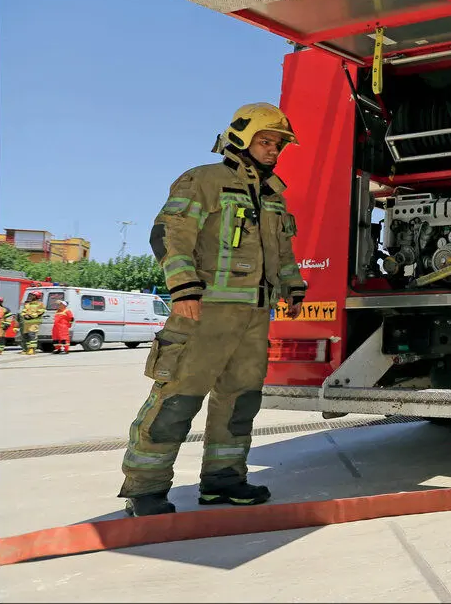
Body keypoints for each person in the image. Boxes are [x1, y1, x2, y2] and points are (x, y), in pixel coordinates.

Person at [117, 102, 308, 517]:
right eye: (266, 141)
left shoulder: (274, 196)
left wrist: (292, 286)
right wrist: (184, 288)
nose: (274, 149)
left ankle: (224, 481)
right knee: (176, 401)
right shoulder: (202, 181)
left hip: (254, 318)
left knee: (239, 403)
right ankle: (145, 489)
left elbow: (283, 250)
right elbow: (170, 234)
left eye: (278, 144)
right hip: (203, 313)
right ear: (240, 139)